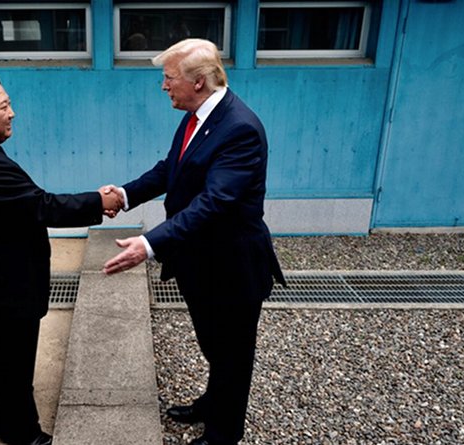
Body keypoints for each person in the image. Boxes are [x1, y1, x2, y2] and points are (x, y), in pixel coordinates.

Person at [102, 39, 286, 445]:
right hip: (200, 261)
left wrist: (149, 244)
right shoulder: (197, 115)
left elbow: (214, 203)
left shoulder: (239, 128)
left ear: (198, 82)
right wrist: (125, 196)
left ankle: (223, 433)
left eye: (168, 78)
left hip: (232, 265)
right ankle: (211, 403)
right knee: (213, 344)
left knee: (233, 354)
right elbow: (173, 168)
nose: (163, 87)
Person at [0, 70, 123, 445]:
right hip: (1, 289)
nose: (12, 113)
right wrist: (100, 202)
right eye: (4, 107)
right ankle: (24, 435)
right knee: (12, 364)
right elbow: (42, 206)